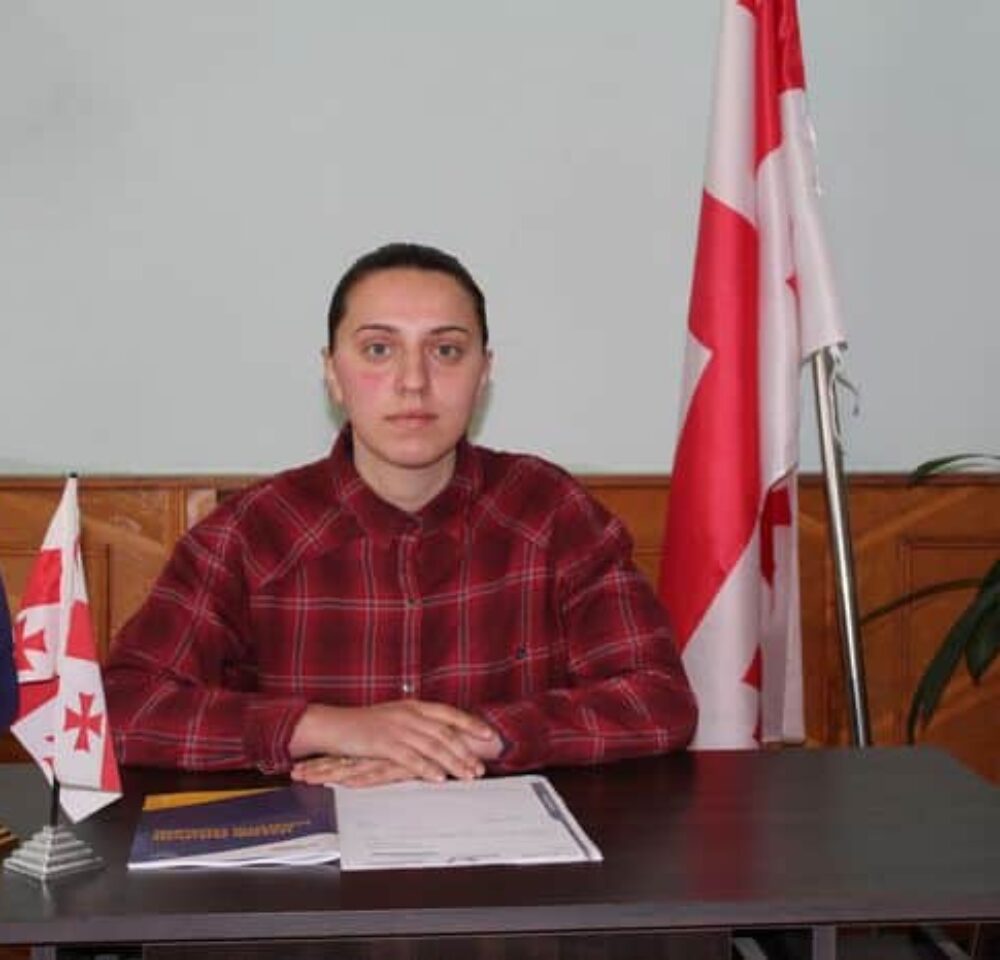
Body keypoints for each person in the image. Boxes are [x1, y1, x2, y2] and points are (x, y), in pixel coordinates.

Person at [104, 242, 696, 787]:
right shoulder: (250, 532)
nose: (414, 382)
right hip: (314, 860)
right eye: (378, 350)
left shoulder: (550, 511)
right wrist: (328, 727)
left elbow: (658, 699)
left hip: (503, 858)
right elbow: (119, 707)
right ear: (332, 373)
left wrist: (465, 741)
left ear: (483, 373)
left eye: (446, 350)